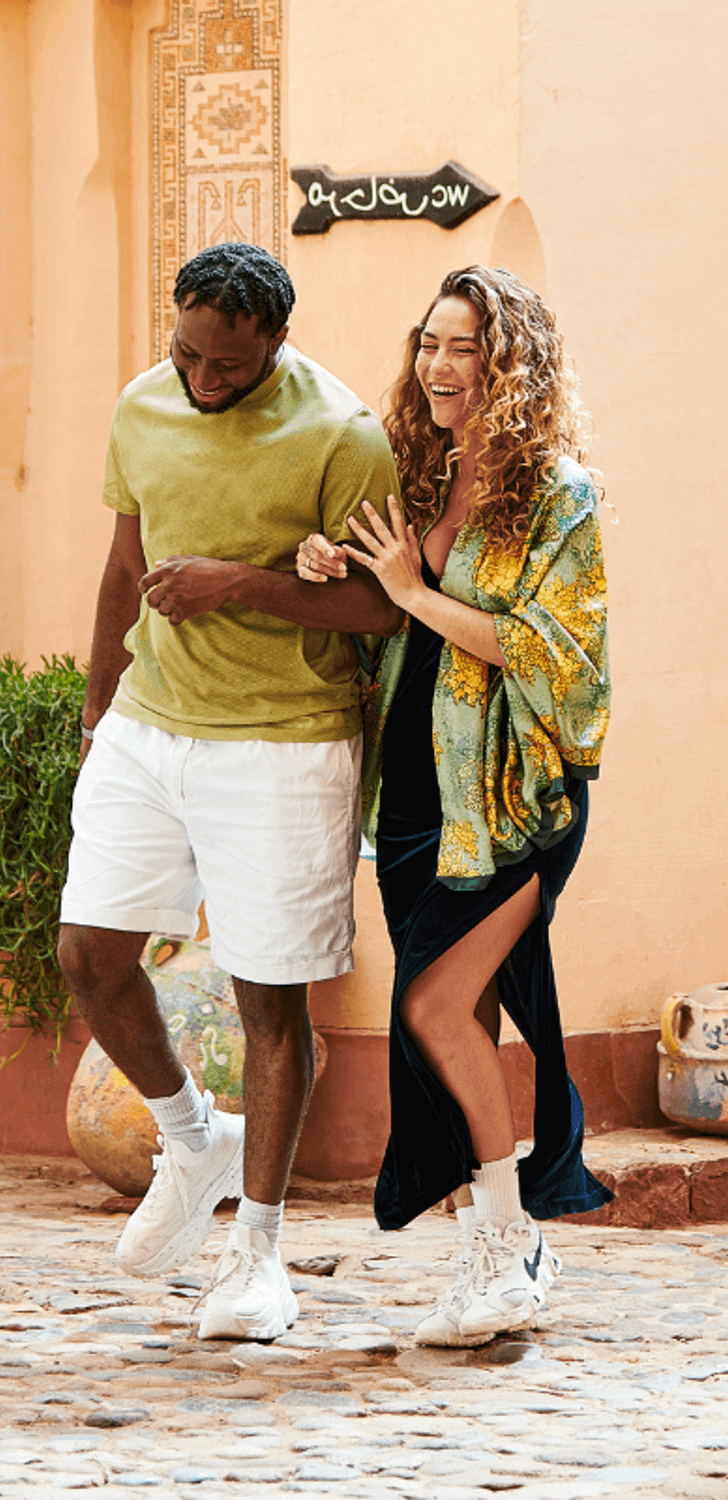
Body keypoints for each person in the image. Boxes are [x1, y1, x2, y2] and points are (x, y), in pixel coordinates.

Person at [57, 242, 402, 1341]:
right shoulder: (140, 405)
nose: (202, 380)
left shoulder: (342, 436)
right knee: (87, 955)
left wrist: (240, 586)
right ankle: (187, 1134)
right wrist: (93, 714)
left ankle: (256, 1252)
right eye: (187, 354)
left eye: (229, 366)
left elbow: (381, 611)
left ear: (275, 342)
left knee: (269, 999)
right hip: (146, 730)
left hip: (284, 744)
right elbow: (122, 568)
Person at [297, 265, 612, 1345]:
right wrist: (331, 569)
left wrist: (413, 595)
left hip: (514, 799)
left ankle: (509, 1242)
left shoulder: (558, 497)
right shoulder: (420, 482)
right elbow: (377, 621)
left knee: (431, 1008)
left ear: (507, 363)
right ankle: (486, 1260)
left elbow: (557, 662)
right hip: (414, 797)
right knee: (457, 1018)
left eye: (463, 347)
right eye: (427, 343)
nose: (437, 365)